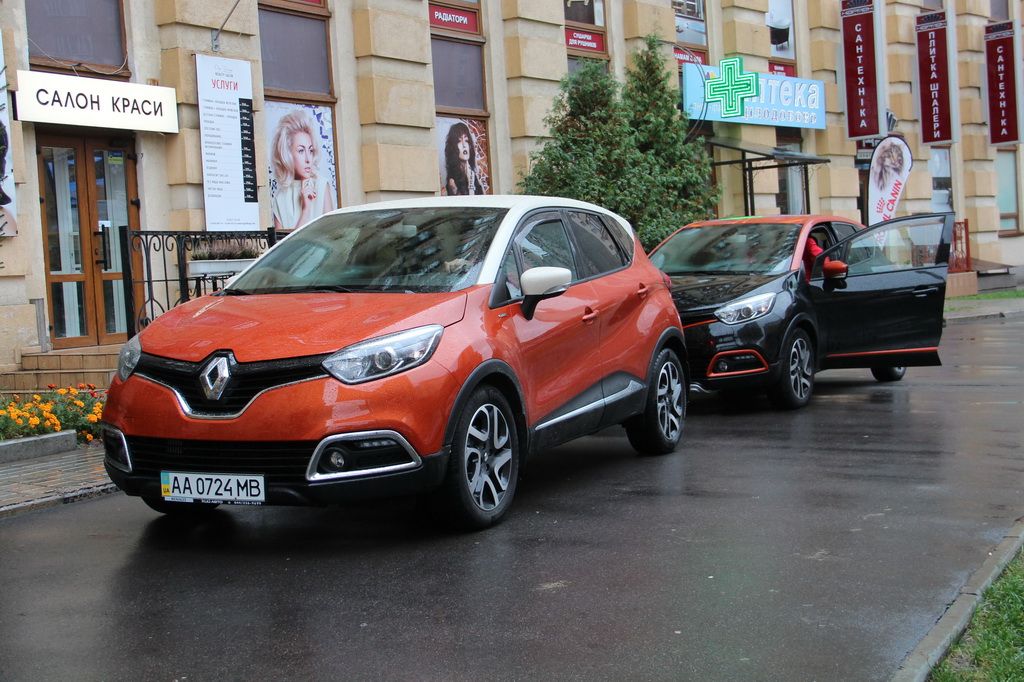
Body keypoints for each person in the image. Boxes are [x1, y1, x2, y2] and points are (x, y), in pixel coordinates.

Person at [270, 109, 335, 230]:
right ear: (288, 154)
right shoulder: (280, 198)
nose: (308, 159)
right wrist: (306, 210)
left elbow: (331, 235)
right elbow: (284, 242)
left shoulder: (321, 185)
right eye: (301, 151)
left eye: (310, 150)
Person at [443, 122, 484, 196]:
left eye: (466, 140)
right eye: (459, 141)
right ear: (454, 147)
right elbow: (469, 203)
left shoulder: (472, 175)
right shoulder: (453, 181)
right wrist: (470, 185)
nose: (464, 145)